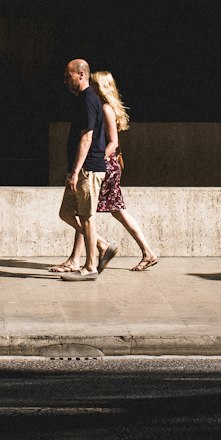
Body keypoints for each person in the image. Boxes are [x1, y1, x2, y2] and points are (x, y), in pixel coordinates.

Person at [51, 58, 118, 279]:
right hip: (82, 169)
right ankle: (101, 244)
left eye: (68, 74)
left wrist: (75, 171)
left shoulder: (89, 99)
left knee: (87, 217)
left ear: (81, 74)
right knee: (66, 213)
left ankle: (90, 268)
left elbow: (87, 138)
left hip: (88, 169)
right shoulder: (83, 99)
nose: (65, 79)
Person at [91, 70, 158, 271]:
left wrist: (98, 159)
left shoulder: (105, 109)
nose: (90, 89)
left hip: (106, 167)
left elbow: (113, 142)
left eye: (94, 85)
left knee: (85, 212)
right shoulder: (105, 107)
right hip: (110, 166)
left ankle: (88, 255)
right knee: (118, 212)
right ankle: (148, 252)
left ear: (100, 87)